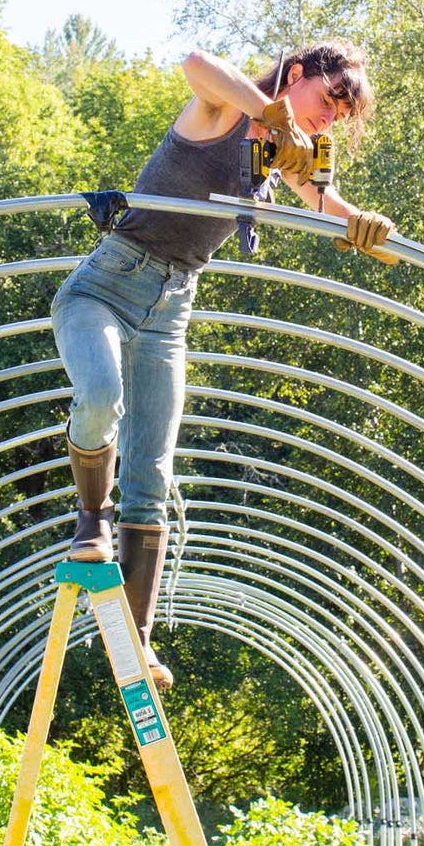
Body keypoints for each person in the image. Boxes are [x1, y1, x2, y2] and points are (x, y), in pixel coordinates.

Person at [50, 40, 397, 690]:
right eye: (324, 103)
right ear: (295, 75)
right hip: (106, 286)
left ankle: (137, 646)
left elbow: (323, 199)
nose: (325, 124)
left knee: (152, 470)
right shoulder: (224, 109)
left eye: (335, 119)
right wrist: (274, 113)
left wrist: (361, 223)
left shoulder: (283, 148)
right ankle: (90, 519)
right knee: (100, 396)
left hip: (171, 309)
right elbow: (195, 63)